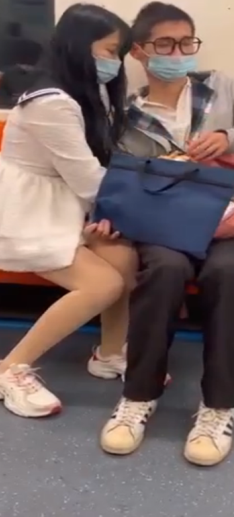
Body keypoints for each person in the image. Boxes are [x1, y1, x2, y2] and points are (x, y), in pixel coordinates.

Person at [99, 2, 234, 467]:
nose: (179, 53)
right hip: (163, 222)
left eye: (186, 42)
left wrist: (227, 138)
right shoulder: (125, 112)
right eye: (165, 44)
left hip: (223, 217)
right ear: (139, 52)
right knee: (163, 270)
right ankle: (138, 396)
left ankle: (218, 407)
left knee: (228, 274)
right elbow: (117, 176)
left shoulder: (220, 87)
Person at [0, 4, 135, 417]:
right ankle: (11, 368)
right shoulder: (51, 103)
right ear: (80, 45)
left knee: (123, 257)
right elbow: (88, 180)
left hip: (62, 206)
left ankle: (111, 353)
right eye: (109, 51)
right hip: (27, 212)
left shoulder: (81, 92)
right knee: (102, 285)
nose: (114, 62)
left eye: (118, 54)